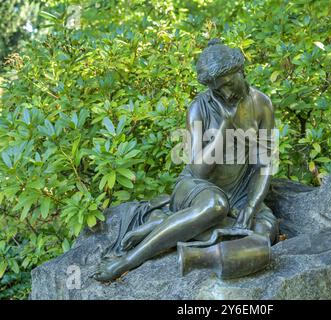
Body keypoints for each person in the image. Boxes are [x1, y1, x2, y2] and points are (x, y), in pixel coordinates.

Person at [93, 39, 279, 282]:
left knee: (264, 234)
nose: (225, 93)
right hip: (197, 187)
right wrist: (224, 126)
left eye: (228, 83)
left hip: (241, 190)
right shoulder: (198, 109)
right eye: (216, 89)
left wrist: (252, 206)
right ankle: (130, 259)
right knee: (215, 206)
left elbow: (264, 164)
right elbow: (199, 171)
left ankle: (168, 226)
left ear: (240, 71)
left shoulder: (262, 104)